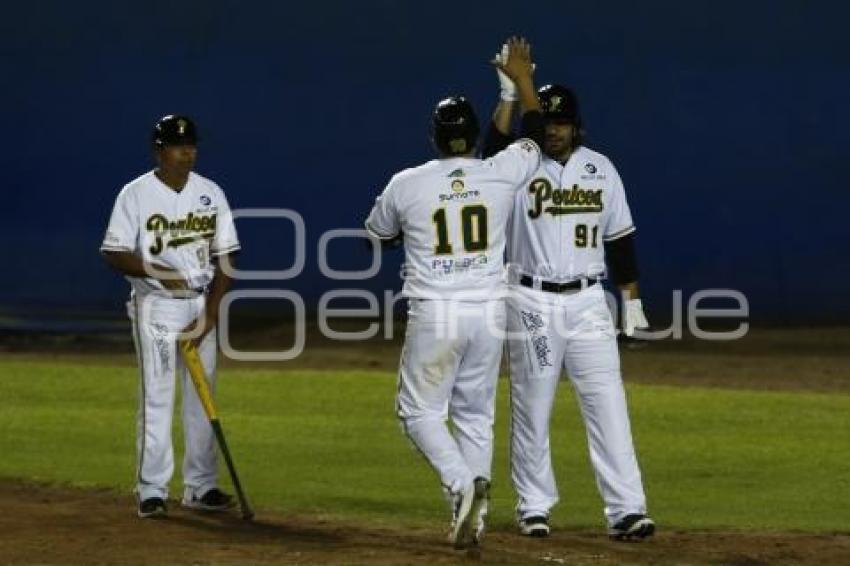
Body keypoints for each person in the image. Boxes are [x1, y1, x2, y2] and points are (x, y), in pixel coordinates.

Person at [364, 38, 543, 549]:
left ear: (434, 137)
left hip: (438, 312)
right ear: (473, 139)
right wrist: (519, 85)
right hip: (489, 313)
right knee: (475, 414)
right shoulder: (500, 172)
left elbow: (376, 236)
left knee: (418, 412)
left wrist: (406, 231)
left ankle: (461, 483)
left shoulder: (406, 184)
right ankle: (474, 519)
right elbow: (530, 131)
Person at [482, 53, 655, 540]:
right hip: (530, 300)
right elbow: (487, 152)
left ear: (577, 127)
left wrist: (633, 306)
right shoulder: (520, 166)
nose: (554, 130)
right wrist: (511, 97)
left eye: (562, 122)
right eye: (549, 121)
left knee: (607, 403)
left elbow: (621, 242)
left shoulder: (601, 170)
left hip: (588, 303)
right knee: (532, 402)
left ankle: (627, 509)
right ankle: (534, 507)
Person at [100, 115, 240, 518]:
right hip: (157, 308)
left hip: (200, 305)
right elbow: (113, 251)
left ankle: (201, 486)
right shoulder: (136, 194)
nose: (187, 153)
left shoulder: (210, 192)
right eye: (178, 146)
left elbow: (226, 256)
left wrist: (212, 313)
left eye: (191, 145)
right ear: (158, 151)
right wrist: (159, 270)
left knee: (202, 396)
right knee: (157, 397)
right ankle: (152, 490)